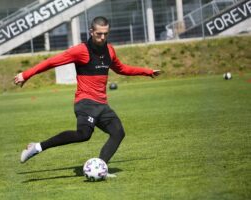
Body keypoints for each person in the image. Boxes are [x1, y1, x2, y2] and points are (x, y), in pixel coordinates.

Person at [14, 16, 161, 177]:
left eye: (106, 33)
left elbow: (121, 69)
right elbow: (51, 62)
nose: (103, 37)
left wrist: (147, 72)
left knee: (118, 132)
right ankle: (36, 148)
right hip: (85, 102)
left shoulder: (110, 50)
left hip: (102, 105)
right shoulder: (81, 50)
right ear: (91, 32)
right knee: (84, 135)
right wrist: (26, 74)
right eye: (99, 34)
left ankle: (100, 168)